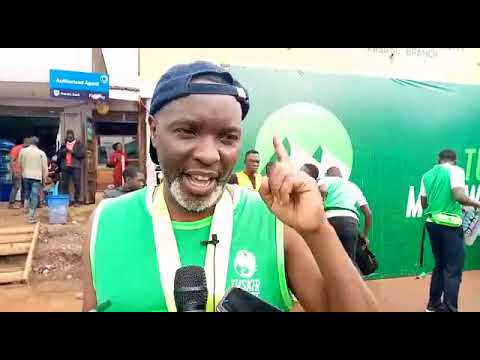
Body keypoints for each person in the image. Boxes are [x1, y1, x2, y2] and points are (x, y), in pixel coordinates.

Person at [82, 61, 378, 312]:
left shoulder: (273, 222)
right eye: (187, 131)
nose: (209, 155)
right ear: (155, 131)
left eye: (227, 138)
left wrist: (318, 231)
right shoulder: (106, 222)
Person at [420, 149, 480, 312]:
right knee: (453, 269)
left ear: (438, 159)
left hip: (432, 224)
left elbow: (424, 204)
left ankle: (433, 305)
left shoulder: (427, 175)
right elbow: (459, 195)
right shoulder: (456, 171)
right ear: (455, 160)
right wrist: (477, 204)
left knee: (440, 265)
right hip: (450, 226)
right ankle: (450, 309)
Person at [319, 166, 372, 262]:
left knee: (328, 261)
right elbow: (368, 213)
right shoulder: (353, 186)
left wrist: (322, 201)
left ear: (327, 174)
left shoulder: (324, 180)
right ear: (341, 176)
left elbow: (323, 190)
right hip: (351, 224)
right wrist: (364, 236)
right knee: (349, 263)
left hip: (329, 221)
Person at [19, 137, 48, 223]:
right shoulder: (41, 153)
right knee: (34, 195)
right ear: (37, 144)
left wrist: (23, 171)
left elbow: (19, 163)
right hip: (36, 177)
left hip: (26, 175)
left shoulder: (23, 151)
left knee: (27, 192)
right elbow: (44, 167)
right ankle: (31, 216)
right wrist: (45, 177)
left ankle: (26, 209)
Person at [57, 130, 85, 207]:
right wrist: (63, 152)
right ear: (66, 136)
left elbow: (82, 155)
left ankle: (76, 201)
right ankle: (67, 201)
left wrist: (73, 152)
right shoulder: (63, 145)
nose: (69, 137)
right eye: (68, 136)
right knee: (65, 184)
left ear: (73, 136)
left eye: (71, 136)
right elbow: (58, 157)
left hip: (75, 167)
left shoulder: (79, 144)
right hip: (65, 167)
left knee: (77, 183)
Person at [8, 137, 30, 209]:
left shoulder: (26, 149)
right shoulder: (16, 148)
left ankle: (23, 203)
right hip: (17, 171)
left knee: (24, 187)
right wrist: (14, 171)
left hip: (24, 171)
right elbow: (12, 160)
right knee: (16, 187)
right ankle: (11, 203)